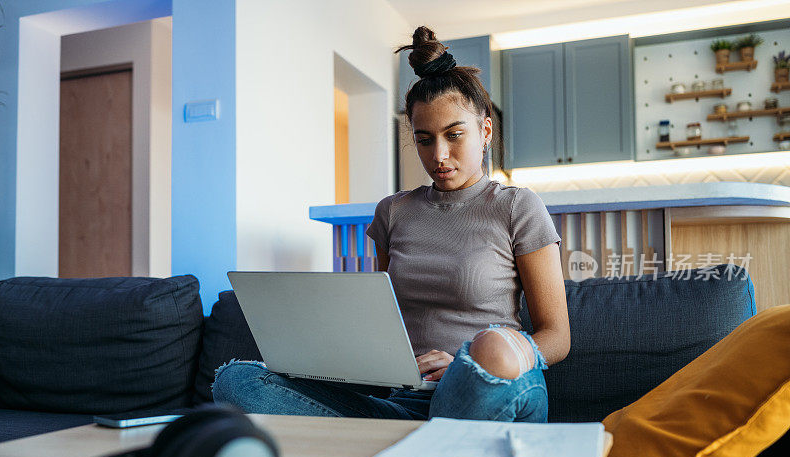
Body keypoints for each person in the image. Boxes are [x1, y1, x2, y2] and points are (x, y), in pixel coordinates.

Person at [212, 26, 570, 423]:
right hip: (402, 397)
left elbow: (557, 337)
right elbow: (379, 321)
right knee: (237, 380)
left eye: (454, 135)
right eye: (424, 139)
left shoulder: (518, 206)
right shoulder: (393, 212)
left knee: (491, 352)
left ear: (485, 131)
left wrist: (466, 365)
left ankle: (398, 440)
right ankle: (411, 444)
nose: (440, 155)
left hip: (485, 386)